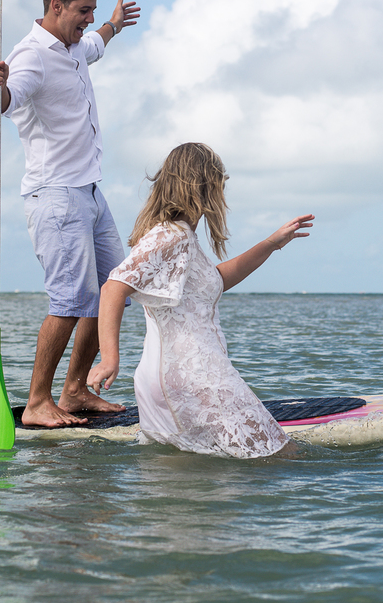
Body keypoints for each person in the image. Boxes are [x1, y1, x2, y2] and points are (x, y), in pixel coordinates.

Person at [0, 0, 140, 428]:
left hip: (90, 193)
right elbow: (8, 101)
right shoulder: (30, 56)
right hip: (56, 196)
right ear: (56, 6)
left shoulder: (75, 46)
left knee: (113, 292)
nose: (88, 20)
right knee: (70, 300)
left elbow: (96, 45)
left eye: (92, 11)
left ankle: (75, 391)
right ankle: (36, 401)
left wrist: (112, 24)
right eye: (82, 11)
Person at [86, 143, 314, 458]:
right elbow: (114, 286)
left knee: (179, 483)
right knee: (284, 456)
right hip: (197, 378)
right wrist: (110, 359)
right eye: (220, 183)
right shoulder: (172, 237)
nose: (222, 193)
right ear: (203, 186)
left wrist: (271, 244)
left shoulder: (179, 236)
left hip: (173, 377)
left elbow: (216, 281)